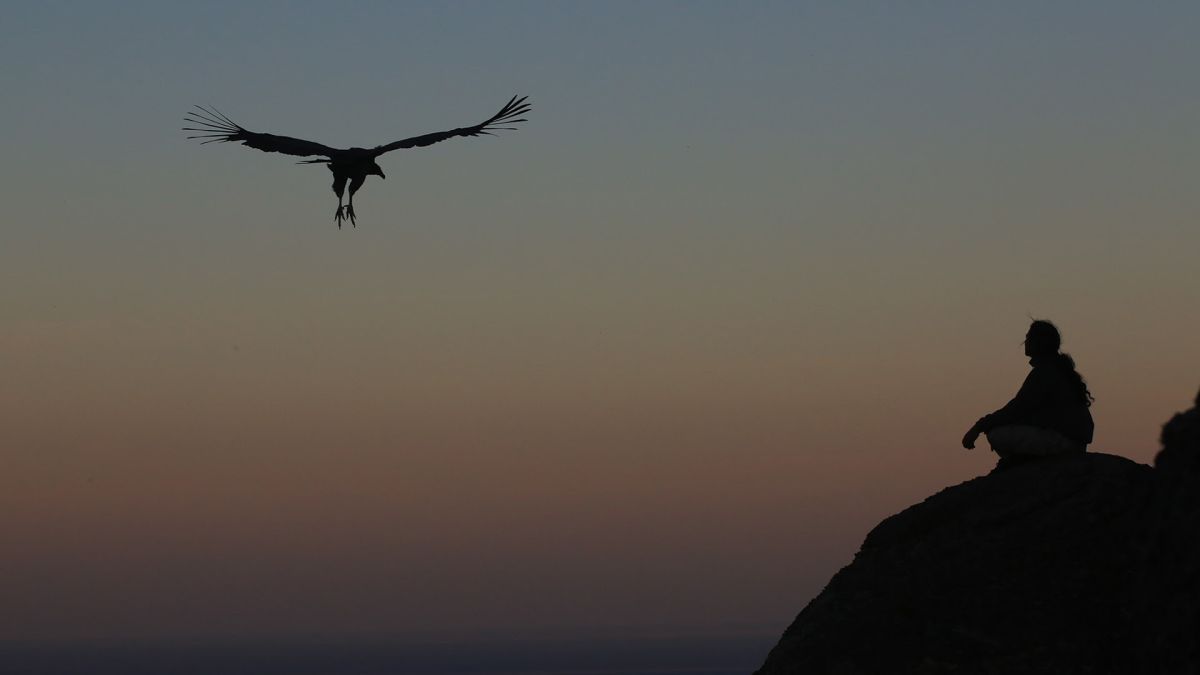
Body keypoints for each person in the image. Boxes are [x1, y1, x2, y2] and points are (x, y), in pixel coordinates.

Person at [962, 320, 1095, 469]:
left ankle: (1027, 465)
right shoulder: (1057, 369)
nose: (1025, 341)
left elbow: (1016, 409)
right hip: (1072, 441)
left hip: (1064, 443)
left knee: (996, 435)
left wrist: (978, 427)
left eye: (1029, 338)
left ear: (1039, 343)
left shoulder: (1045, 372)